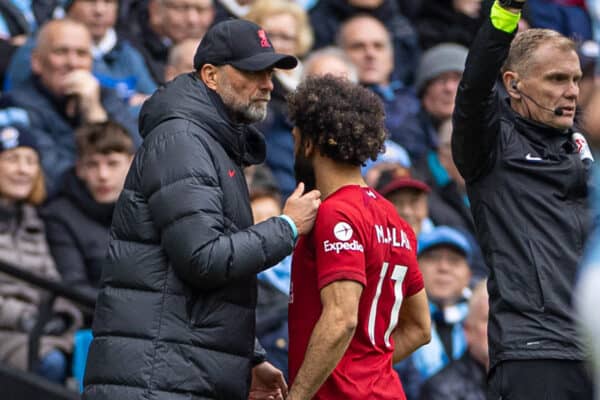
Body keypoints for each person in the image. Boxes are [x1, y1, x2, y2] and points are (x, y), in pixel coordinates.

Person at [82, 19, 321, 400]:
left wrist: (248, 355)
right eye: (253, 71)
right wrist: (287, 227)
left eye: (270, 73)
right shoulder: (183, 140)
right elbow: (203, 258)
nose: (268, 84)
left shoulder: (209, 140)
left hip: (175, 372)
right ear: (210, 75)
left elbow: (190, 285)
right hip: (156, 380)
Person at [452, 1, 594, 398]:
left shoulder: (582, 147)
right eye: (556, 79)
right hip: (535, 353)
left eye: (576, 79)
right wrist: (504, 16)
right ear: (513, 84)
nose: (571, 92)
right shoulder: (490, 146)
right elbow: (474, 88)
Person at [286, 75, 431, 400]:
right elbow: (420, 328)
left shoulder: (335, 213)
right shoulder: (395, 219)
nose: (294, 145)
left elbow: (341, 318)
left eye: (295, 137)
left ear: (311, 143)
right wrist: (365, 371)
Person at [0, 18, 139, 194]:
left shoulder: (104, 97)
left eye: (81, 54)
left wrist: (94, 112)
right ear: (36, 62)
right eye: (61, 52)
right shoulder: (15, 106)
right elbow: (52, 178)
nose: (72, 63)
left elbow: (139, 162)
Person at [0, 124, 82, 384]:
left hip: (38, 332)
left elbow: (53, 281)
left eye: (31, 161)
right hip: (10, 331)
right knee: (52, 363)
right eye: (12, 159)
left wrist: (64, 316)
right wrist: (26, 318)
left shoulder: (33, 219)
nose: (23, 170)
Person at [42, 121, 134, 302]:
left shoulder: (152, 207)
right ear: (80, 168)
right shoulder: (59, 215)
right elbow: (73, 287)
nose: (103, 175)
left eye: (112, 163)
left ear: (131, 163)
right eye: (93, 164)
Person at [394, 226, 473, 399]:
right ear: (415, 268)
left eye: (454, 260)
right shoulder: (395, 318)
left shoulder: (485, 320)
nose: (444, 268)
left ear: (469, 274)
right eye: (432, 258)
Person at [419, 279, 489, 400]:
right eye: (488, 319)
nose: (500, 329)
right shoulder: (441, 389)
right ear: (468, 331)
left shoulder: (529, 378)